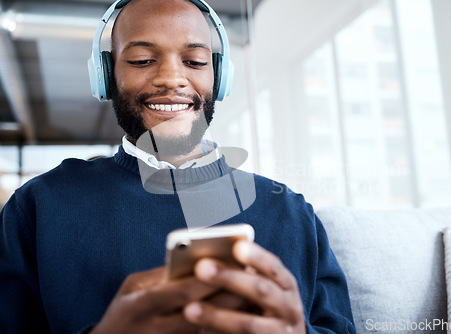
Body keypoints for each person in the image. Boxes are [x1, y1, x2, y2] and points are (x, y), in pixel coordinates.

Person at [0, 0, 357, 333]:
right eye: (141, 60)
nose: (172, 78)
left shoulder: (292, 213)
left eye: (196, 61)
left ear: (219, 77)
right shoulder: (40, 205)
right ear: (106, 76)